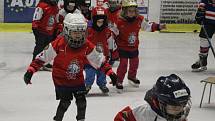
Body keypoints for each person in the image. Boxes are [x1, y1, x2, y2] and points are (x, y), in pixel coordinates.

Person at [23, 13, 117, 121]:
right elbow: (42, 58)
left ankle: (80, 119)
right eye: (75, 31)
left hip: (77, 79)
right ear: (67, 30)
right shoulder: (58, 44)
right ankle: (58, 119)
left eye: (81, 31)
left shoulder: (86, 45)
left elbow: (99, 60)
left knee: (82, 102)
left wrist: (110, 73)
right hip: (61, 80)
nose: (78, 35)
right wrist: (31, 71)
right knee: (65, 102)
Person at [112, 0, 166, 92]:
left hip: (134, 47)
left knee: (134, 63)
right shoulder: (118, 21)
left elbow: (147, 26)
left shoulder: (139, 19)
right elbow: (113, 33)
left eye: (134, 11)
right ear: (124, 11)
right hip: (122, 47)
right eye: (130, 11)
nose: (132, 13)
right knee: (123, 65)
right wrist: (113, 47)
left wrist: (158, 26)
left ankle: (132, 77)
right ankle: (119, 80)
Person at [114, 74, 192, 121]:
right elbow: (120, 117)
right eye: (174, 106)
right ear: (162, 102)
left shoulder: (177, 114)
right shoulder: (143, 110)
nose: (179, 110)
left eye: (183, 104)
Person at [84, 6, 115, 94]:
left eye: (102, 21)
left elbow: (110, 42)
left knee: (102, 73)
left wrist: (111, 53)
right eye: (98, 21)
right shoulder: (88, 29)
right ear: (93, 20)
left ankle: (102, 84)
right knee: (90, 73)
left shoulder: (107, 30)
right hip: (90, 58)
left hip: (103, 56)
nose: (100, 23)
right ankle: (87, 85)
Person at [32, 0, 59, 71]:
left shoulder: (55, 6)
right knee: (39, 46)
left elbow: (56, 19)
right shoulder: (41, 5)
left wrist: (56, 29)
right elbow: (36, 18)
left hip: (50, 32)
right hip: (41, 31)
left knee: (48, 48)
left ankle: (45, 63)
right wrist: (35, 28)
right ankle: (35, 63)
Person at [191, 0, 215, 72]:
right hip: (208, 22)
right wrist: (200, 13)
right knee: (204, 40)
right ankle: (202, 61)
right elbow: (202, 5)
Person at [106, 0, 122, 65]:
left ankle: (114, 56)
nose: (112, 5)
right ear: (108, 3)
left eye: (114, 3)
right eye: (111, 3)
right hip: (107, 32)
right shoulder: (105, 11)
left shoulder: (121, 12)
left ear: (117, 3)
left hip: (117, 32)